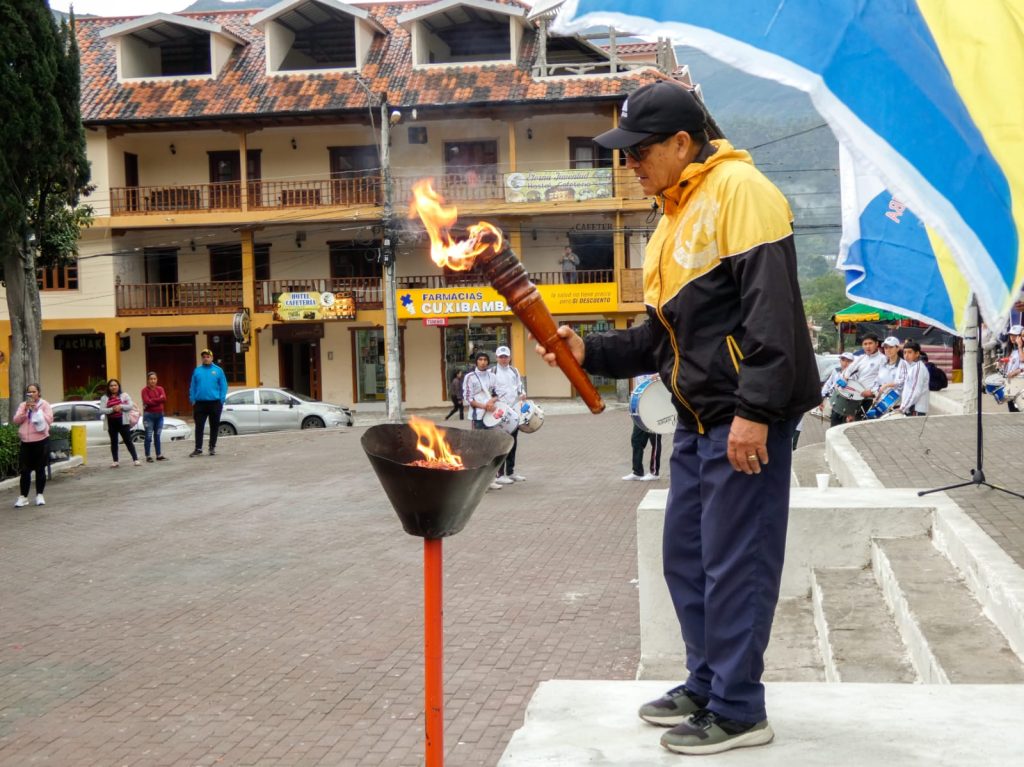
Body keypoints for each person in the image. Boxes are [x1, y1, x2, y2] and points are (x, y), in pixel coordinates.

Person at [537, 80, 820, 755]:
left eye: (638, 151)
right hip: (695, 420)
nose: (629, 164)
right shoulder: (671, 217)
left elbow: (774, 318)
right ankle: (706, 683)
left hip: (741, 421)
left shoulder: (741, 192)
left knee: (737, 563)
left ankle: (740, 709)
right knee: (687, 559)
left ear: (682, 143)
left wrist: (756, 412)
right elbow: (660, 339)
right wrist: (590, 350)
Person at [462, 351, 502, 490]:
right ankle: (478, 482)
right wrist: (484, 406)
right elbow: (468, 398)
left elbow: (498, 393)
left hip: (491, 417)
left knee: (491, 447)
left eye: (485, 359)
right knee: (478, 449)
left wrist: (492, 401)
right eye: (480, 359)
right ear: (476, 361)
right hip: (478, 417)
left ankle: (491, 480)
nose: (483, 362)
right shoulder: (470, 377)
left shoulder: (492, 376)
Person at [12, 383, 53, 507]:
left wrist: (37, 410)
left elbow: (49, 420)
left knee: (40, 469)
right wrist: (25, 410)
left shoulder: (44, 404)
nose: (31, 394)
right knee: (25, 470)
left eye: (34, 391)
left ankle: (39, 495)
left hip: (41, 440)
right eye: (29, 392)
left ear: (38, 392)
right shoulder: (23, 405)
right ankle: (23, 497)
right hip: (26, 442)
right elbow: (16, 420)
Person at [492, 345, 527, 484]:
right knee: (501, 443)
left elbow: (519, 385)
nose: (503, 359)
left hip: (513, 411)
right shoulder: (492, 372)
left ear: (510, 357)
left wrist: (522, 393)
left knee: (513, 441)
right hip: (499, 412)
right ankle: (499, 474)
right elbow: (489, 390)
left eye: (505, 356)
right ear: (496, 358)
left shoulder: (514, 370)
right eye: (501, 357)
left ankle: (511, 472)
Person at [836, 334, 884, 425]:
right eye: (865, 344)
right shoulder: (861, 358)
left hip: (871, 398)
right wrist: (845, 378)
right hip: (857, 397)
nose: (868, 346)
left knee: (867, 425)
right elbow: (849, 369)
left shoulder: (883, 359)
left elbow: (882, 380)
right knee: (852, 424)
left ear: (876, 344)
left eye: (870, 343)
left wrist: (872, 392)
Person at [189, 348, 228, 456]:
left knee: (214, 426)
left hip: (215, 403)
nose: (206, 358)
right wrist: (192, 399)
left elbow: (224, 386)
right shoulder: (197, 370)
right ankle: (198, 448)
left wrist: (221, 400)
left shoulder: (218, 370)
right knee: (199, 426)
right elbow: (192, 386)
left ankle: (212, 447)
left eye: (208, 356)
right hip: (200, 403)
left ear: (212, 358)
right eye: (204, 357)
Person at [99, 378, 140, 468]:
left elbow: (130, 406)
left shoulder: (124, 395)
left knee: (128, 441)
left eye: (115, 385)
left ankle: (136, 459)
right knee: (114, 442)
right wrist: (112, 409)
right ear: (108, 387)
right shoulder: (104, 397)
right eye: (111, 386)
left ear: (118, 386)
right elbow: (101, 410)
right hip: (111, 422)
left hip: (123, 422)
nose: (113, 387)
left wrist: (121, 406)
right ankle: (115, 461)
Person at [141, 371, 169, 462]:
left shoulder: (160, 389)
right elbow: (147, 401)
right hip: (149, 416)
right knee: (148, 436)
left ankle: (159, 455)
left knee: (157, 435)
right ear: (148, 380)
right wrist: (158, 400)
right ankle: (148, 456)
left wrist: (152, 400)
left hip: (159, 416)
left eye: (154, 379)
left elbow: (164, 398)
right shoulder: (144, 390)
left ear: (157, 380)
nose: (153, 381)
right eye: (151, 379)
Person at [900, 341, 930, 416]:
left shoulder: (918, 368)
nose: (906, 355)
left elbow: (915, 391)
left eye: (909, 352)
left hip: (915, 409)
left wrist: (903, 407)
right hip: (911, 407)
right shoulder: (912, 367)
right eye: (904, 352)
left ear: (917, 354)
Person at [1005, 324, 1023, 413]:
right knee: (1012, 409)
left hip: (1020, 383)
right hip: (1012, 382)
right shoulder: (1012, 349)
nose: (1012, 337)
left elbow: (1022, 361)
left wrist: (1020, 346)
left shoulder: (1020, 349)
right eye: (1011, 335)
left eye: (1015, 335)